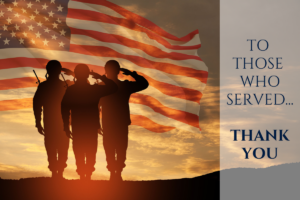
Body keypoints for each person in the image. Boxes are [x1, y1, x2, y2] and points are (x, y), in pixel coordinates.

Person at [61, 64, 117, 180]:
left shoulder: (71, 90)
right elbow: (113, 87)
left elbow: (64, 108)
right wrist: (100, 77)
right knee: (90, 150)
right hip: (90, 126)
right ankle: (86, 175)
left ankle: (83, 175)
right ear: (87, 75)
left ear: (76, 75)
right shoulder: (94, 90)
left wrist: (66, 126)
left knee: (79, 150)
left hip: (78, 126)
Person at [100, 60, 149, 181]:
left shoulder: (118, 86)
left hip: (114, 122)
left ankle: (115, 172)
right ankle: (114, 172)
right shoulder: (121, 86)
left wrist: (132, 74)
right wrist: (132, 74)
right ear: (118, 71)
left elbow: (144, 84)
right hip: (113, 122)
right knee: (116, 148)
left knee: (116, 148)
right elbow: (143, 84)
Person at [33, 60, 71, 179]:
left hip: (56, 123)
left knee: (56, 147)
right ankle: (57, 173)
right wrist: (38, 122)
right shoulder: (64, 86)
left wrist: (38, 122)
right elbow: (37, 104)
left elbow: (37, 105)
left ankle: (57, 173)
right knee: (57, 147)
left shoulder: (51, 86)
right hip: (57, 123)